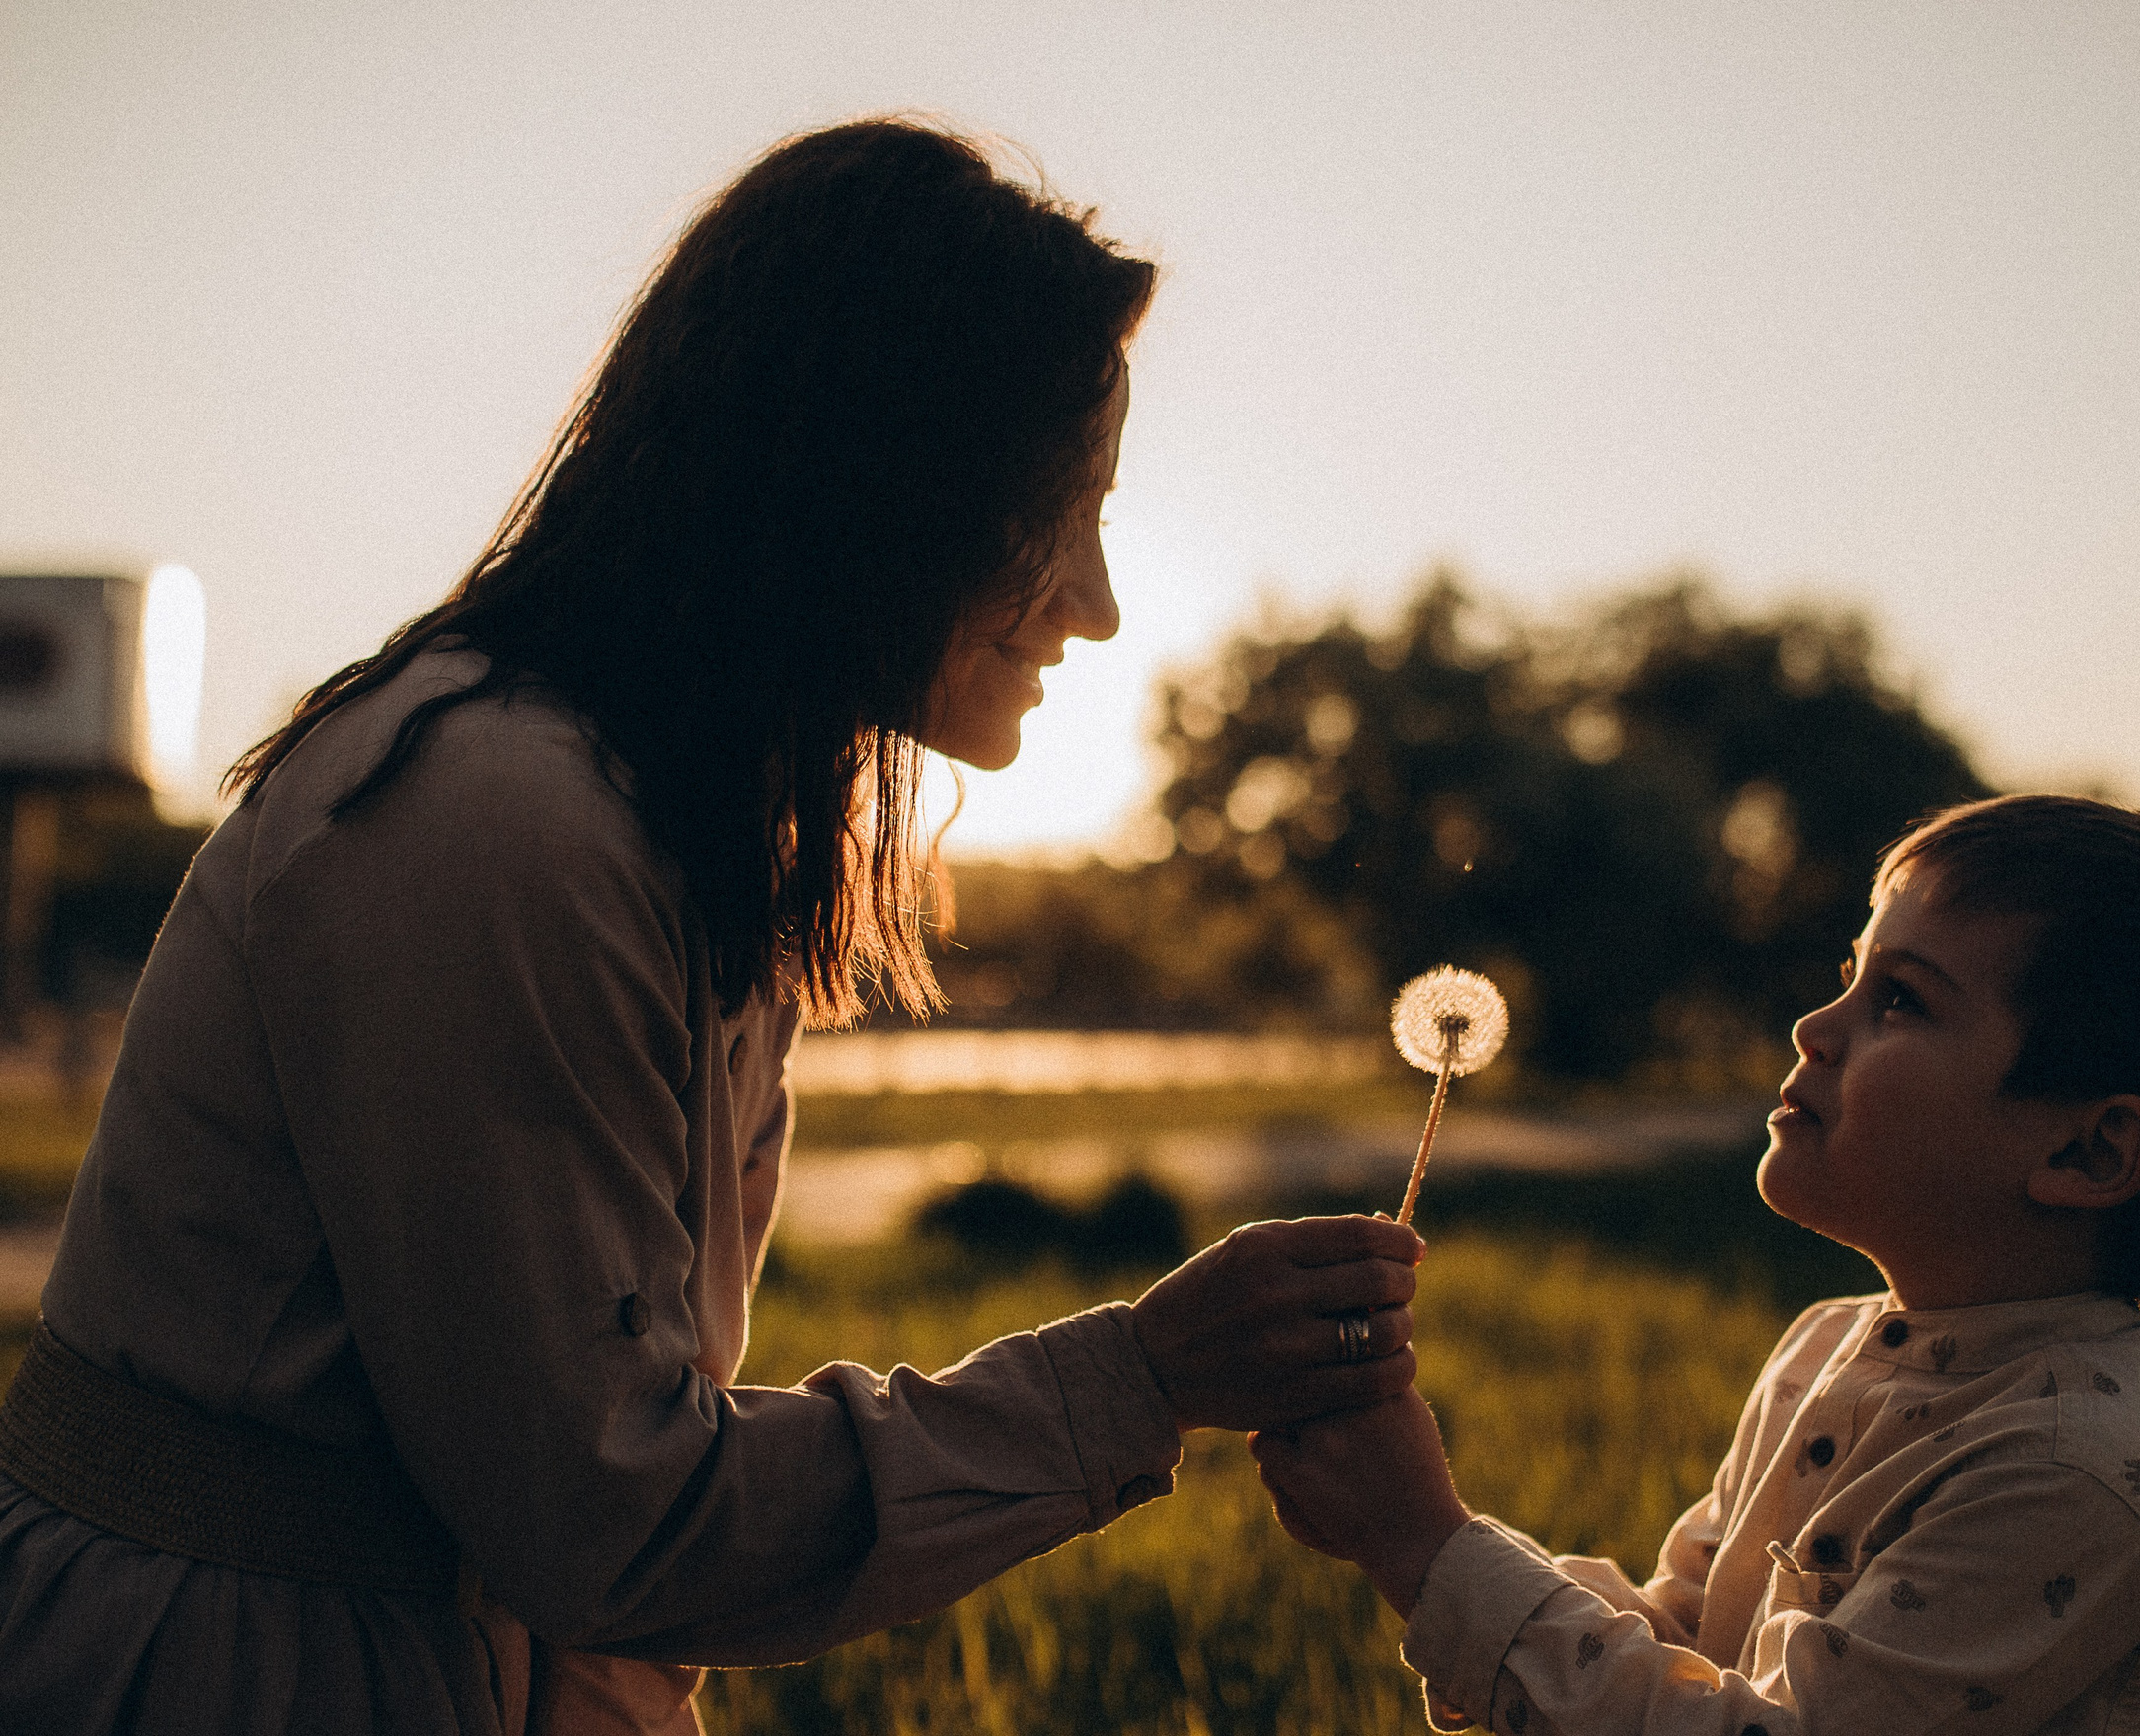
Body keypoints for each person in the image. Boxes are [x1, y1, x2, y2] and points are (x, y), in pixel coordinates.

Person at [0, 120, 1422, 1736]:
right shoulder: (501, 824)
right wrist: (1139, 1375)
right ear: (880, 493)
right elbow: (617, 1518)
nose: (1095, 600)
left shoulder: (684, 823)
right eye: (1061, 511)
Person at [1253, 794, 2140, 1735]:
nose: (1813, 1026)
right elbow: (1684, 1645)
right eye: (1851, 973)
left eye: (1901, 999)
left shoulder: (2072, 1471)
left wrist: (1424, 1546)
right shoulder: (1823, 1346)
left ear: (2087, 1150)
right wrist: (1421, 1530)